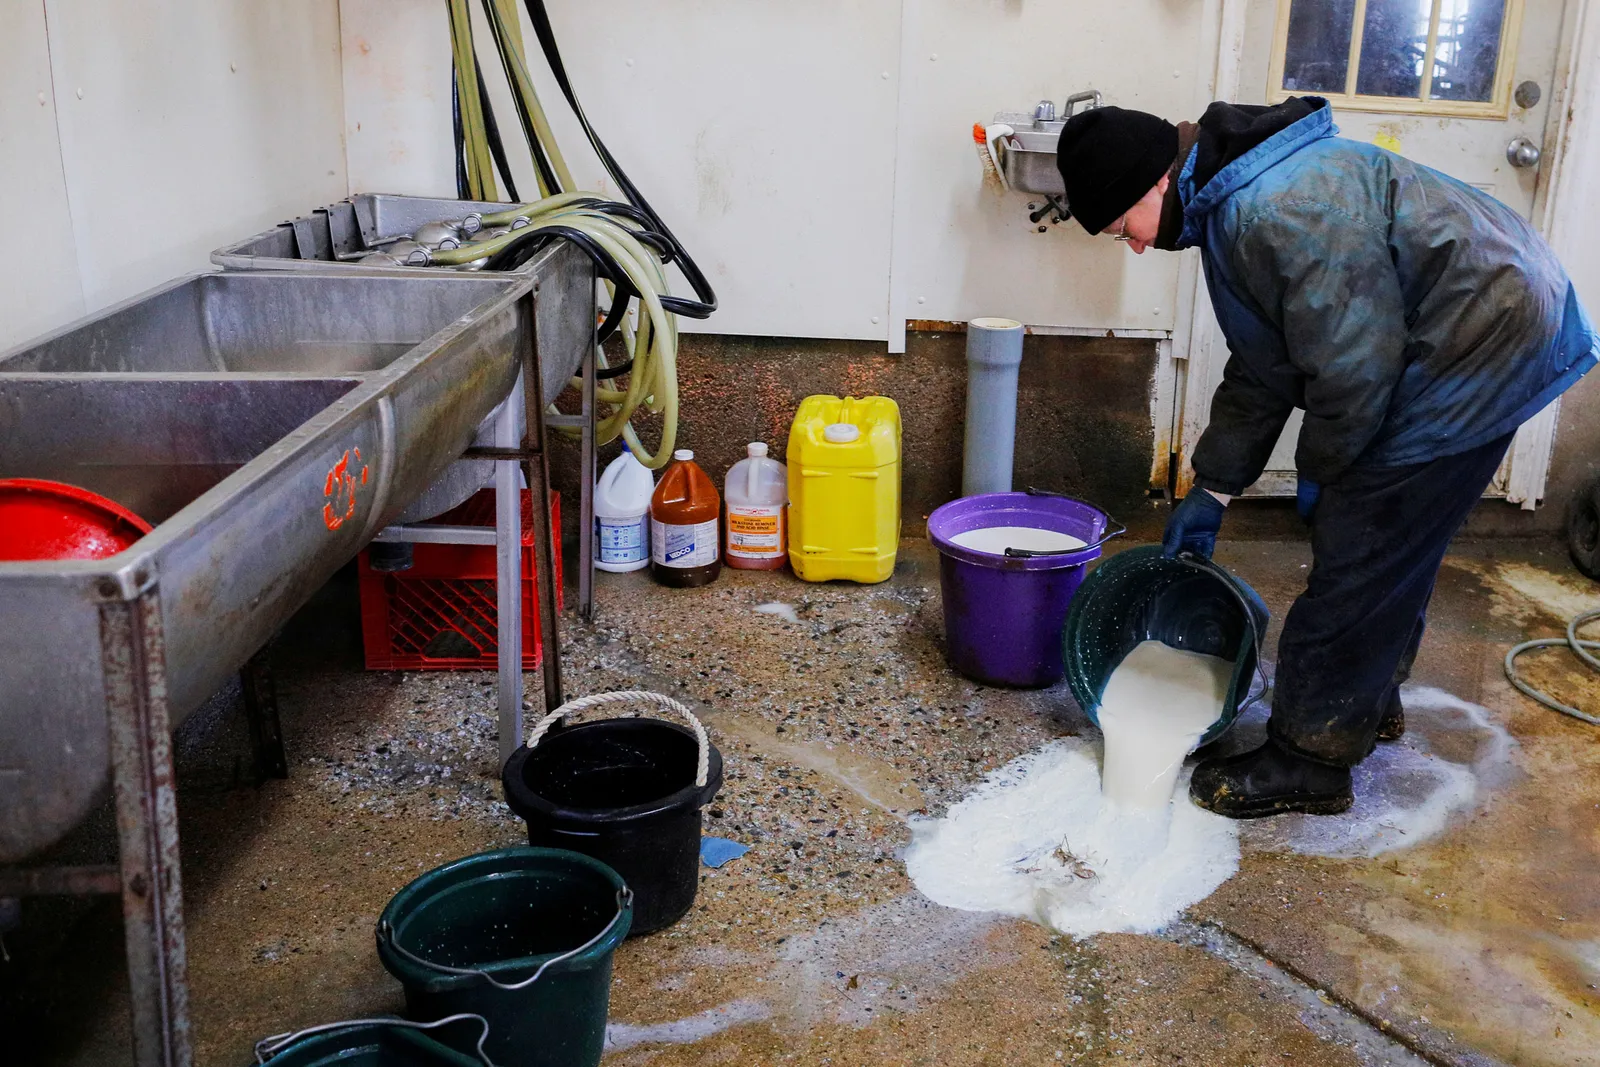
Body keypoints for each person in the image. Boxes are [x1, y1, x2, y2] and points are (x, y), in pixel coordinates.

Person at [1055, 96, 1597, 818]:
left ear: (1156, 182)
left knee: (1364, 537)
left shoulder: (1273, 211)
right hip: (1478, 321)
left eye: (1124, 226)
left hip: (1483, 336)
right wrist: (1213, 488)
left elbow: (1352, 369)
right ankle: (1366, 698)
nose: (1134, 245)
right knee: (1392, 533)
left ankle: (1309, 757)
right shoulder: (1236, 201)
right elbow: (1265, 364)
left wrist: (1322, 470)